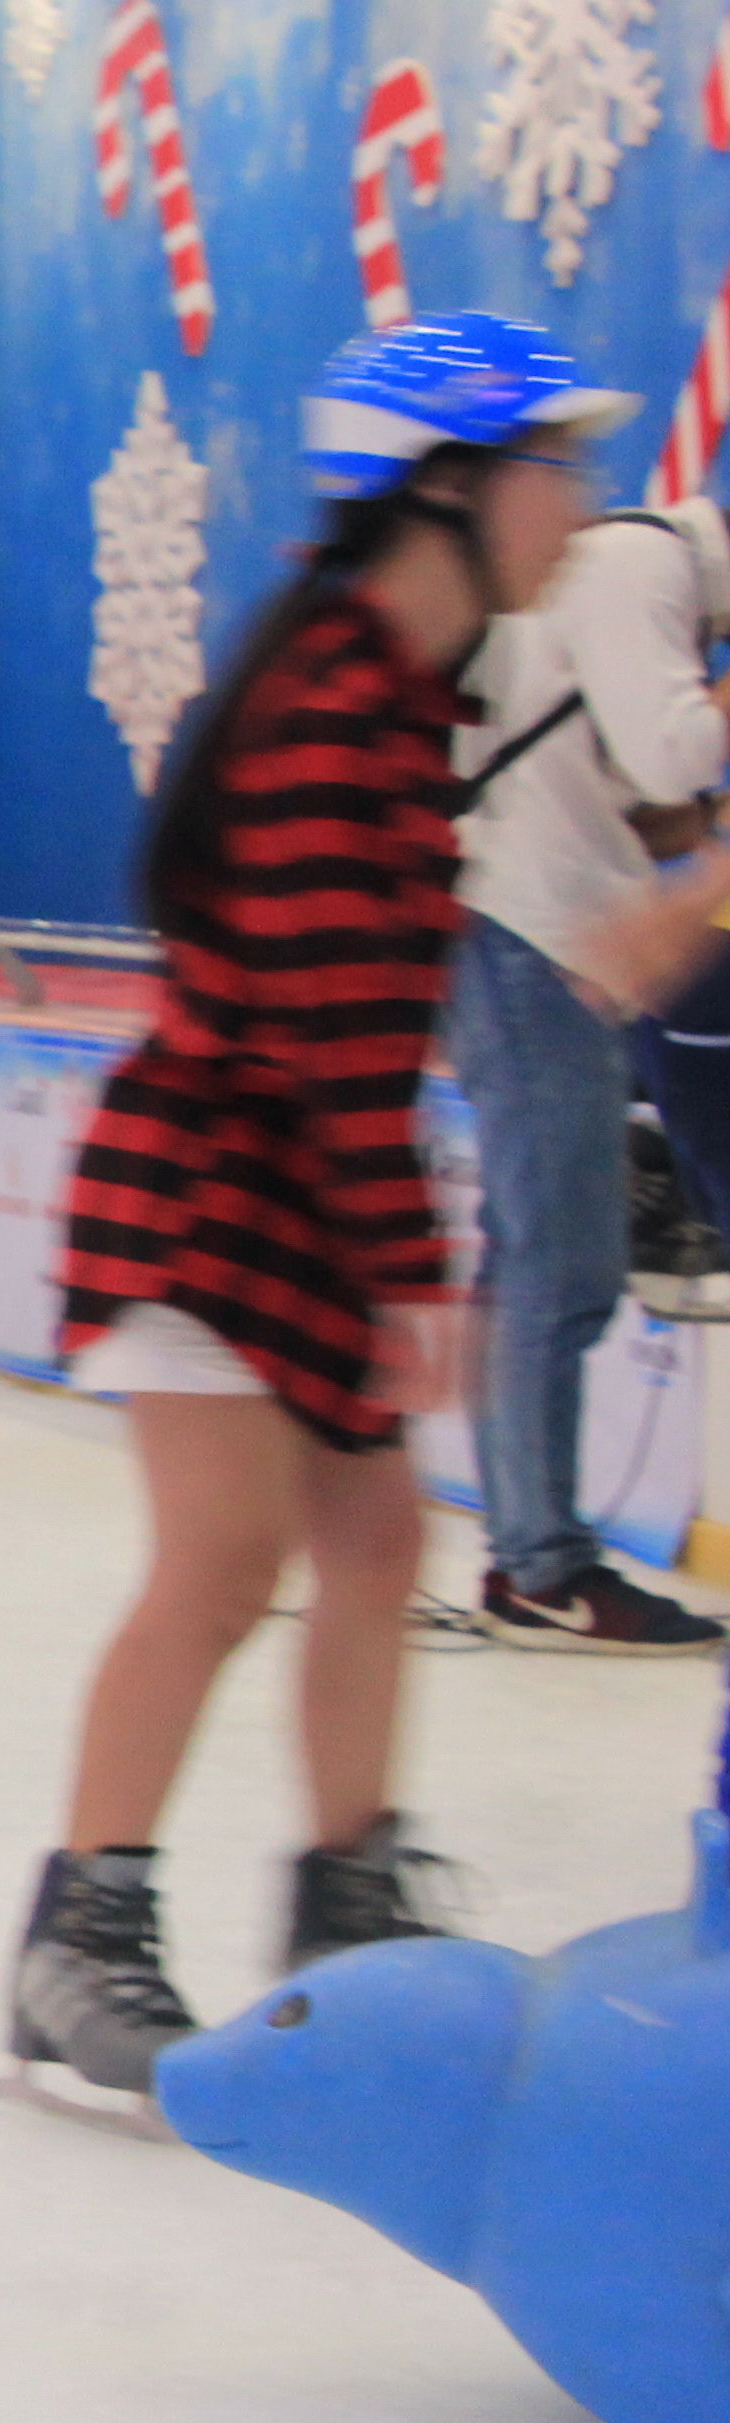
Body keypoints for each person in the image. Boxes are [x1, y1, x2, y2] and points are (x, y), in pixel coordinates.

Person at [2, 313, 620, 2128]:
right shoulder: (328, 704)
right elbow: (322, 1022)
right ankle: (73, 1932)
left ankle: (341, 1906)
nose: (573, 508)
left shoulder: (404, 687)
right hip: (210, 1189)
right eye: (549, 468)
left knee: (365, 1551)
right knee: (220, 1561)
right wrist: (409, 1267)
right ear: (442, 487)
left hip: (297, 1186)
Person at [433, 496, 730, 1652]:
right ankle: (538, 1564)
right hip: (531, 937)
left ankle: (529, 1549)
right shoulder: (635, 564)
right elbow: (674, 750)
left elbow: (653, 808)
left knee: (535, 1253)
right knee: (560, 1260)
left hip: (543, 933)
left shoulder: (631, 577)